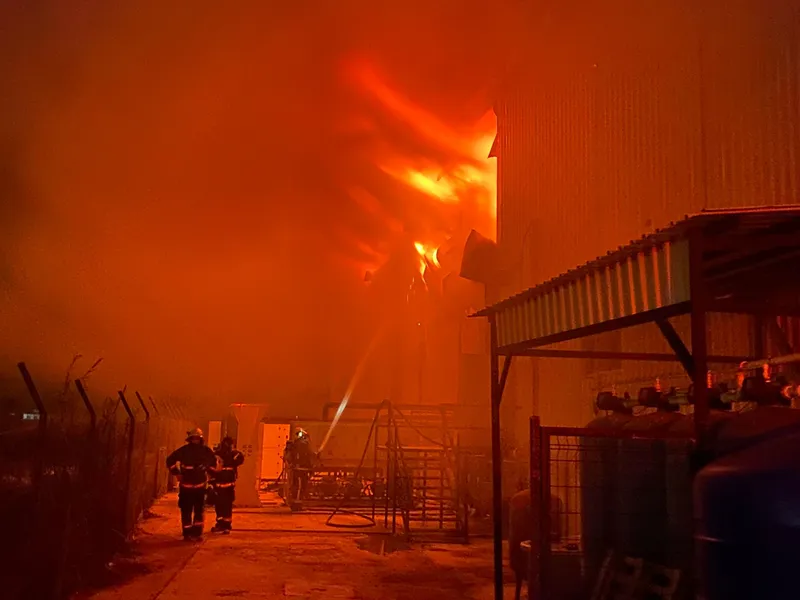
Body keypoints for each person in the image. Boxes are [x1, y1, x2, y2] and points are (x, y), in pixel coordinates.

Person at [166, 428, 217, 540]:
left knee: (199, 511)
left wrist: (210, 477)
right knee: (186, 510)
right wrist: (176, 473)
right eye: (193, 438)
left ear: (200, 439)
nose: (195, 440)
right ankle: (187, 533)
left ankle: (197, 533)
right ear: (190, 439)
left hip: (199, 486)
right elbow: (170, 460)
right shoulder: (184, 450)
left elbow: (213, 464)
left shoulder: (206, 451)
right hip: (186, 486)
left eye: (197, 438)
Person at [210, 436, 244, 533]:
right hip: (226, 485)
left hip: (221, 485)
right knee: (226, 506)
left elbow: (211, 468)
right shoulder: (234, 454)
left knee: (220, 506)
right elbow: (239, 460)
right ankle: (225, 525)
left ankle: (222, 524)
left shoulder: (218, 454)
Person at [286, 428, 315, 504]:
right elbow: (309, 456)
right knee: (301, 485)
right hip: (302, 469)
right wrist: (311, 468)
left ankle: (295, 500)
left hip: (297, 469)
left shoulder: (294, 444)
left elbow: (289, 457)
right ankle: (298, 501)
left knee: (296, 484)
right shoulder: (303, 444)